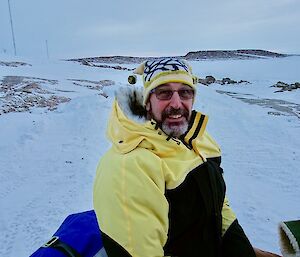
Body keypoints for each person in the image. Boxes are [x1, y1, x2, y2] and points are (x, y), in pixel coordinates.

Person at [93, 58, 281, 257]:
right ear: (146, 101)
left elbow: (219, 207)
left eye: (185, 92)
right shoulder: (130, 166)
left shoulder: (197, 140)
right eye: (164, 92)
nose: (176, 103)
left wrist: (242, 251)